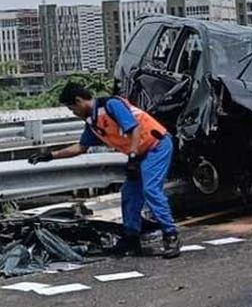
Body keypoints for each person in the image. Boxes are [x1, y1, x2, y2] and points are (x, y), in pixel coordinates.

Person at [28, 83, 180, 258]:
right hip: (138, 153)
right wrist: (49, 156)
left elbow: (134, 128)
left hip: (156, 146)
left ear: (79, 101)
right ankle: (131, 238)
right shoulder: (92, 122)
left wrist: (131, 157)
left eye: (72, 108)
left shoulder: (110, 105)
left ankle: (171, 235)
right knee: (129, 194)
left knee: (150, 189)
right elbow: (81, 147)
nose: (73, 113)